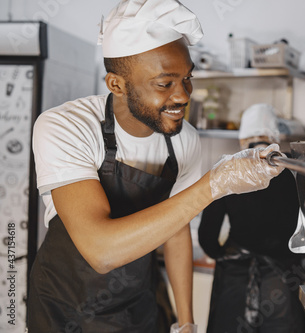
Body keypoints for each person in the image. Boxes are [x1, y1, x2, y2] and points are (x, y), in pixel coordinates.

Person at [27, 1, 283, 332]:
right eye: (165, 83)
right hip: (65, 310)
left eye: (187, 78)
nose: (183, 96)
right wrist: (214, 184)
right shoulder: (66, 126)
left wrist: (187, 322)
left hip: (138, 305)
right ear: (116, 84)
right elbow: (100, 251)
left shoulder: (183, 139)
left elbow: (176, 229)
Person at [198, 103, 305, 333]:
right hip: (283, 279)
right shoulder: (296, 169)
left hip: (235, 278)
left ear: (242, 140)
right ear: (276, 137)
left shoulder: (227, 169)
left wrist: (224, 255)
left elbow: (207, 236)